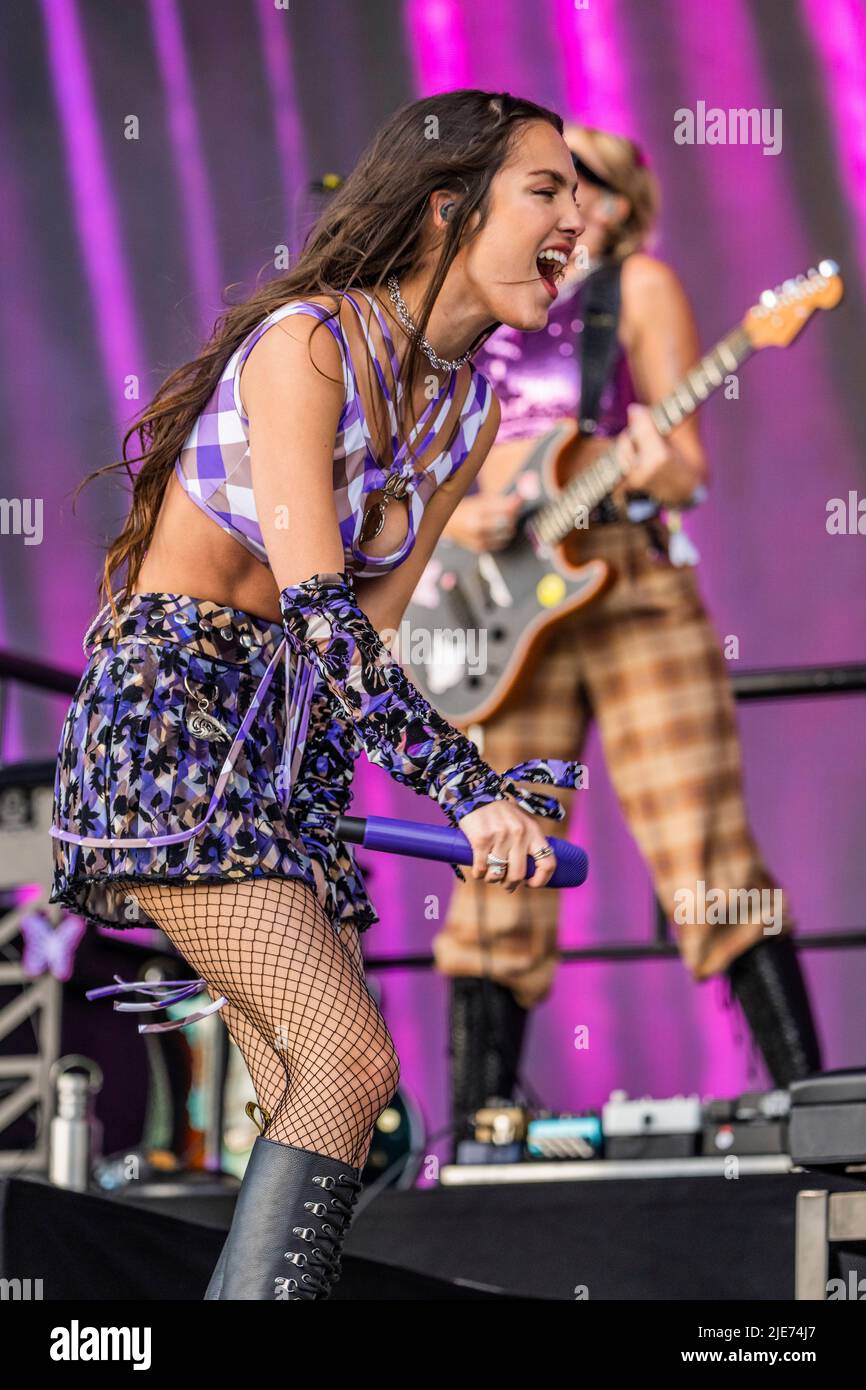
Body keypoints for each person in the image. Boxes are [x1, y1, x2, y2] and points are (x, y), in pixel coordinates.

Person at [48, 90, 589, 1301]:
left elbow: (359, 662)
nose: (576, 223)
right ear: (451, 205)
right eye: (546, 190)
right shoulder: (310, 343)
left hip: (288, 747)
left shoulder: (467, 409)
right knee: (345, 1063)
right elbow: (324, 616)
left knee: (323, 1091)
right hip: (175, 715)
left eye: (578, 198)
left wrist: (494, 791)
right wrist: (467, 790)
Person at [431, 123, 823, 1148]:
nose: (564, 196)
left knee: (701, 842)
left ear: (616, 200)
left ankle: (812, 1110)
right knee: (497, 850)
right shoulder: (483, 294)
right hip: (501, 602)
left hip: (626, 580)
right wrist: (459, 509)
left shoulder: (634, 288)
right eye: (543, 180)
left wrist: (643, 457)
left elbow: (683, 468)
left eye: (583, 180)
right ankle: (480, 1123)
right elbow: (432, 453)